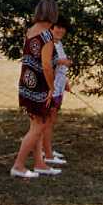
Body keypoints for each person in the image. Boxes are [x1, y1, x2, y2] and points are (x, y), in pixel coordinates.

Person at [11, 0, 62, 178]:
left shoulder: (31, 30)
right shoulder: (47, 35)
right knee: (38, 127)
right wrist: (51, 88)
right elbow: (47, 66)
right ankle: (19, 165)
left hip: (26, 83)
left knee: (37, 125)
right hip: (38, 86)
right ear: (52, 13)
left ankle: (40, 164)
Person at [42, 16, 72, 166]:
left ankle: (47, 149)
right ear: (51, 29)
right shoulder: (49, 44)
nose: (60, 30)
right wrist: (62, 61)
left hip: (59, 88)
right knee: (47, 121)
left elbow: (60, 68)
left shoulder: (59, 44)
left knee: (51, 121)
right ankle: (47, 154)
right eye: (57, 27)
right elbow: (47, 64)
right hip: (50, 89)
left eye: (62, 28)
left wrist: (65, 81)